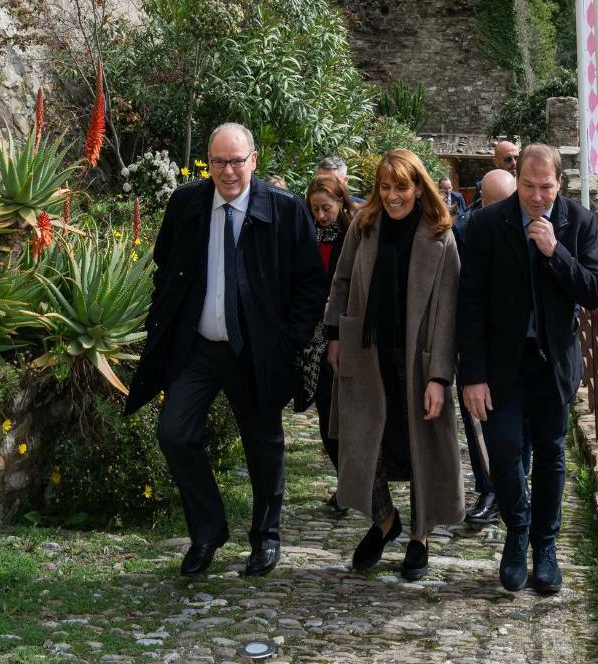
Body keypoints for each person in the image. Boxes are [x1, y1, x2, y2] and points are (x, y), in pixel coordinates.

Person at [126, 124, 327, 579]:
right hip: (198, 348)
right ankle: (208, 532)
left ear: (254, 160)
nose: (229, 171)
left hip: (257, 351)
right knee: (175, 433)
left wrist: (287, 340)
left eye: (237, 160)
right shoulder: (187, 203)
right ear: (208, 162)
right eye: (219, 161)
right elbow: (165, 266)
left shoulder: (285, 210)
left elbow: (310, 284)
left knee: (264, 446)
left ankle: (265, 536)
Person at [458, 143, 598, 596]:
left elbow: (596, 291)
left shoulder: (579, 222)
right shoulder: (486, 223)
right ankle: (516, 531)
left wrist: (555, 251)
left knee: (550, 453)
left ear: (559, 183)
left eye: (546, 187)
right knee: (503, 452)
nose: (537, 196)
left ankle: (544, 546)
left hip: (552, 364)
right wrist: (472, 375)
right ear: (515, 178)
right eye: (528, 186)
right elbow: (471, 305)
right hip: (502, 365)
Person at [325, 149, 464, 581]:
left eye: (400, 187)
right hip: (366, 354)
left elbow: (448, 313)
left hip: (419, 358)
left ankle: (420, 535)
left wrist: (440, 376)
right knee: (362, 441)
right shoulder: (365, 226)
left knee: (422, 445)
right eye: (385, 188)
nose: (392, 196)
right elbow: (342, 281)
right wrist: (334, 335)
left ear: (418, 186)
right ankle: (385, 521)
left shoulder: (440, 236)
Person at [452, 166, 526, 528]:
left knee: (517, 428)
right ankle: (488, 489)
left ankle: (515, 491)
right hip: (476, 343)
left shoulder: (529, 227)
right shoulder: (464, 232)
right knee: (476, 419)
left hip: (515, 348)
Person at [297, 171, 356, 511]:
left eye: (327, 208)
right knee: (325, 412)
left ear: (340, 203)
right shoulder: (306, 235)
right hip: (314, 339)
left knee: (347, 415)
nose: (321, 215)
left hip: (346, 335)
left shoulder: (354, 234)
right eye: (316, 208)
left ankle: (354, 484)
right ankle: (345, 483)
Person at [469, 140, 519, 210]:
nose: (514, 163)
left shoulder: (528, 183)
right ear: (496, 162)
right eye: (508, 159)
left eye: (517, 158)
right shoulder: (485, 185)